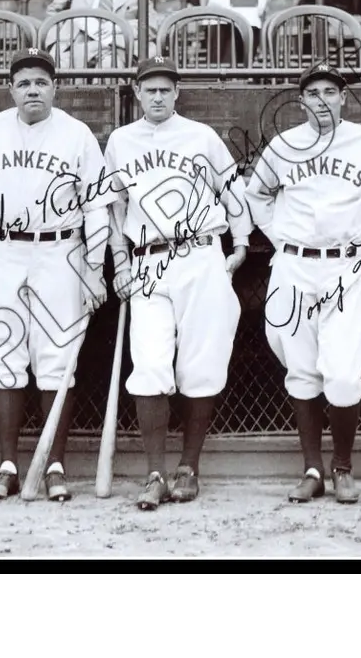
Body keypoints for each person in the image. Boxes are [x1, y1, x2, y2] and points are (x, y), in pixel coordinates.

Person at [0, 47, 115, 502]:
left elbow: (97, 207)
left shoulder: (77, 134)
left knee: (58, 359)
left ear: (55, 87)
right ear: (11, 89)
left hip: (62, 251)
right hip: (4, 251)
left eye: (41, 82)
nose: (33, 90)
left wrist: (93, 270)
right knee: (4, 355)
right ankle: (7, 465)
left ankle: (54, 465)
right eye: (23, 82)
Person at [244, 62, 361, 504]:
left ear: (342, 98)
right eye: (312, 92)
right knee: (301, 369)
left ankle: (344, 467)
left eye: (330, 92)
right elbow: (256, 195)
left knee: (342, 374)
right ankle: (313, 468)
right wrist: (280, 235)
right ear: (301, 102)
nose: (321, 100)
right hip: (294, 267)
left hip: (349, 268)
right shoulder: (283, 143)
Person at [106, 56, 252, 510]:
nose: (157, 96)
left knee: (201, 365)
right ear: (136, 93)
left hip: (201, 254)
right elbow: (113, 208)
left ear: (177, 93)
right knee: (149, 365)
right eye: (149, 89)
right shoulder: (120, 141)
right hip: (148, 258)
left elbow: (233, 191)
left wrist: (241, 245)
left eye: (165, 89)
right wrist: (120, 262)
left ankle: (189, 466)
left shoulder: (201, 136)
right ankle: (155, 473)